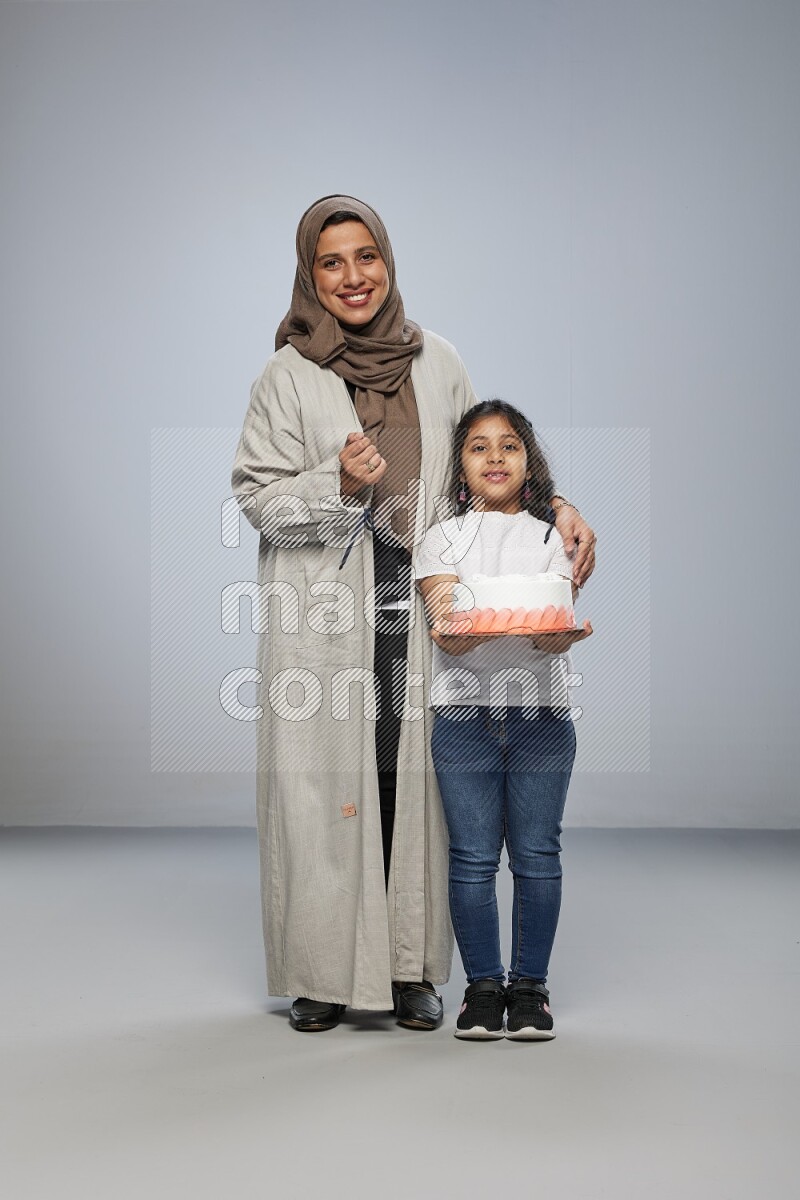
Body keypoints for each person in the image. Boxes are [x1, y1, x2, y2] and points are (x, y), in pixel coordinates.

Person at [231, 195, 596, 1033]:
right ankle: (321, 975)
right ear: (309, 276)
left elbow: (488, 465)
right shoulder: (286, 376)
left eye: (367, 257)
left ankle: (408, 970)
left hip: (429, 602)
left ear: (388, 262)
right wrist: (340, 486)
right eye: (332, 262)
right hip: (326, 610)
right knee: (323, 788)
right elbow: (257, 497)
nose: (353, 277)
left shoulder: (439, 361)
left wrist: (561, 504)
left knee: (414, 786)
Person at [414, 399, 593, 1040]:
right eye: (479, 446)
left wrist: (560, 634)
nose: (495, 456)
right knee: (471, 858)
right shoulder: (440, 537)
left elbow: (550, 633)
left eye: (510, 445)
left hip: (542, 715)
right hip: (463, 715)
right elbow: (450, 636)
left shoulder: (553, 538)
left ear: (528, 460)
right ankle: (483, 990)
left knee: (538, 855)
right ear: (461, 466)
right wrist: (477, 623)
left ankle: (532, 989)